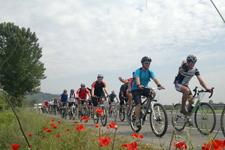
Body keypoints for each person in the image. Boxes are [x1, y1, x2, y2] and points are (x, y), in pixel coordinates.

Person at [132, 56, 165, 127]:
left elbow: (154, 78)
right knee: (138, 104)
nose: (148, 64)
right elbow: (137, 78)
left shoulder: (150, 72)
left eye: (149, 63)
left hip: (144, 88)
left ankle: (146, 107)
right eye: (146, 63)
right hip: (136, 89)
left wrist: (159, 85)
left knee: (153, 93)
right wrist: (138, 84)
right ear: (143, 63)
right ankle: (137, 120)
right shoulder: (138, 71)